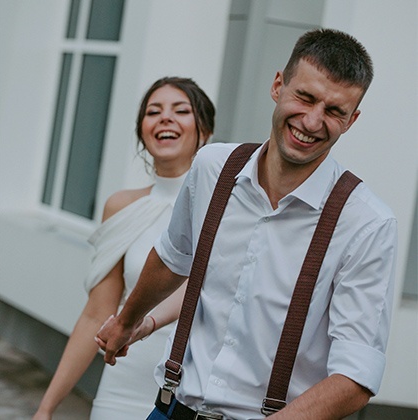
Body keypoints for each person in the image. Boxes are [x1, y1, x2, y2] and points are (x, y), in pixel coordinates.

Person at [96, 29, 398, 420]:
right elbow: (173, 258)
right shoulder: (212, 168)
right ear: (278, 85)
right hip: (172, 410)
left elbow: (355, 378)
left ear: (351, 120)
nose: (312, 121)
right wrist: (127, 322)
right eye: (305, 97)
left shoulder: (367, 224)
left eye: (334, 111)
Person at [33, 77, 215, 419]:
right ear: (142, 132)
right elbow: (96, 314)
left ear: (204, 130)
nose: (165, 118)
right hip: (120, 388)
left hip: (190, 393)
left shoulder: (222, 205)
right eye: (153, 112)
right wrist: (46, 408)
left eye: (180, 110)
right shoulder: (122, 206)